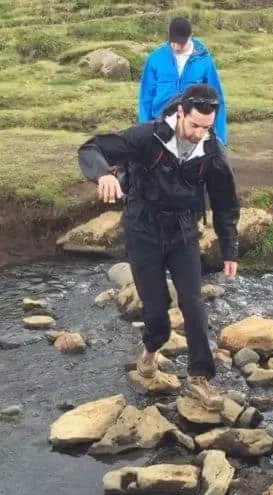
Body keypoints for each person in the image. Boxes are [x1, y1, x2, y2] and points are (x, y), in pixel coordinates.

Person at [78, 83, 239, 411]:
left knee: (193, 302)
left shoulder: (210, 150)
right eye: (194, 125)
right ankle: (150, 351)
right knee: (157, 316)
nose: (199, 133)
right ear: (180, 112)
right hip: (143, 231)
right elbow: (92, 148)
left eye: (206, 127)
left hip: (183, 233)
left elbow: (224, 202)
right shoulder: (146, 138)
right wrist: (103, 177)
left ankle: (200, 378)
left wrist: (229, 248)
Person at [138, 16, 229, 147]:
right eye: (173, 42)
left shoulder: (205, 62)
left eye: (180, 43)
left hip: (192, 125)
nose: (176, 46)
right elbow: (146, 96)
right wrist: (144, 130)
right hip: (160, 123)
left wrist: (220, 139)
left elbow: (217, 99)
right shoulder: (155, 58)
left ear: (190, 36)